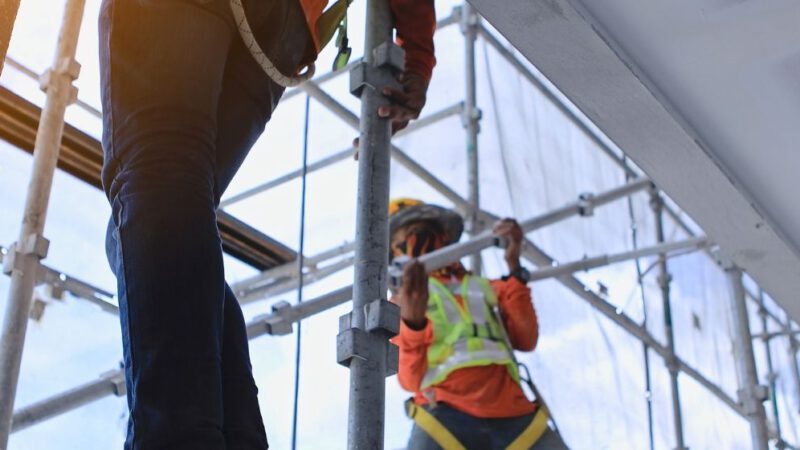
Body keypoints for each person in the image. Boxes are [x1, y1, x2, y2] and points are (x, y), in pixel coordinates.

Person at [99, 0, 436, 448]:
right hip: (283, 26)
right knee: (166, 198)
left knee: (162, 177)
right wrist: (416, 55)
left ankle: (181, 439)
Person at [388, 199, 569, 449]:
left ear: (444, 238)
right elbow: (409, 380)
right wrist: (412, 323)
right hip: (445, 418)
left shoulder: (483, 287)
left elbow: (526, 339)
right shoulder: (400, 302)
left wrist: (514, 266)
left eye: (425, 230)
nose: (420, 240)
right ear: (393, 251)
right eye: (407, 235)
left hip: (515, 415)